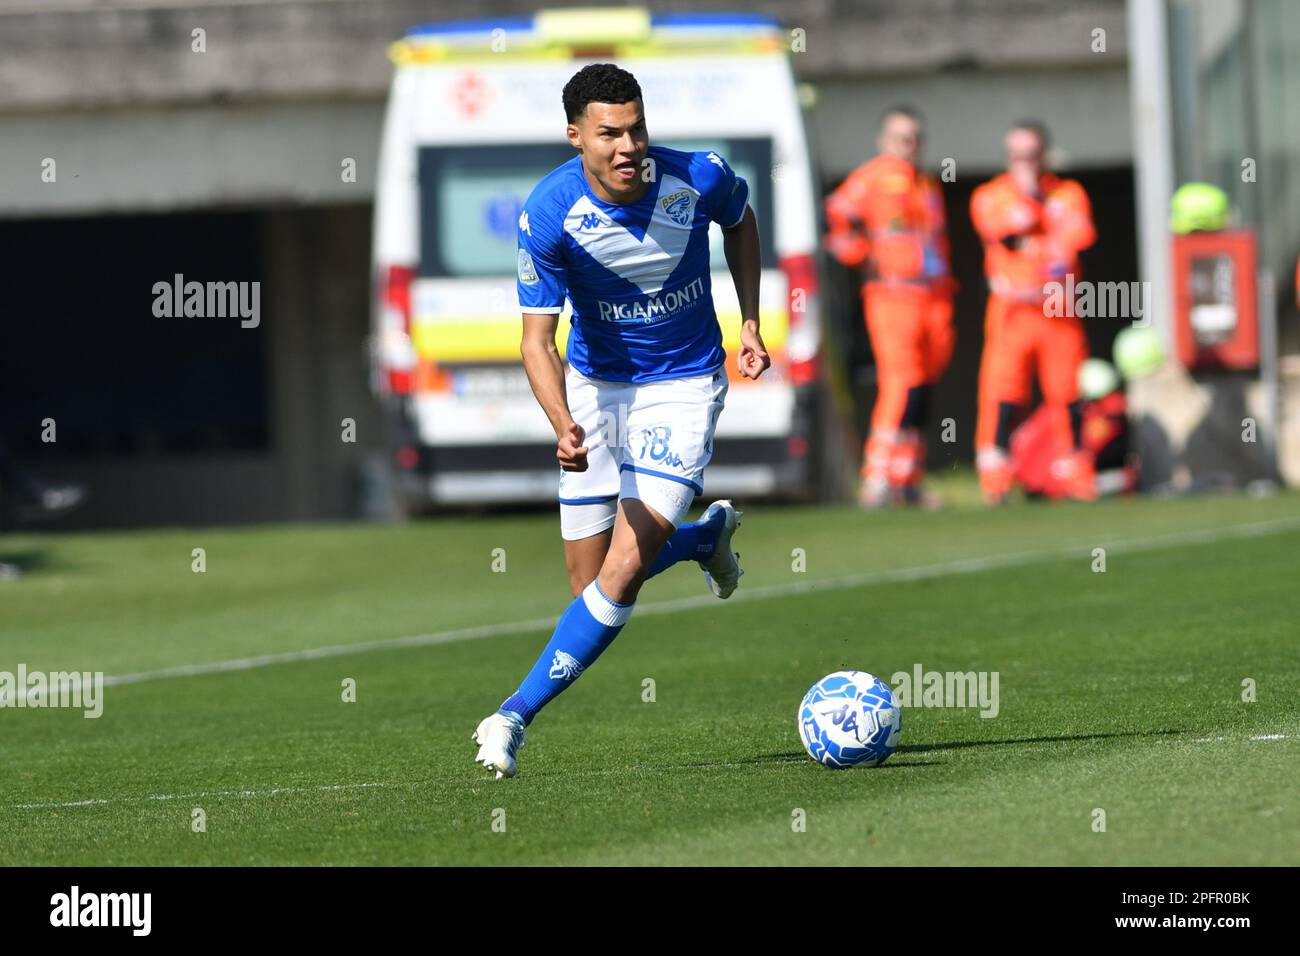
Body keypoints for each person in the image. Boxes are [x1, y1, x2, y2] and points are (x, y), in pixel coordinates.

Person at [472, 64, 770, 778]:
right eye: (610, 133)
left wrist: (752, 322)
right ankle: (702, 539)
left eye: (636, 128)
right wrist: (561, 423)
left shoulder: (698, 175)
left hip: (684, 387)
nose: (628, 144)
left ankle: (510, 715)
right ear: (576, 136)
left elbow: (742, 222)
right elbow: (534, 340)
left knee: (625, 566)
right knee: (590, 587)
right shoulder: (549, 212)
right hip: (596, 390)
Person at [824, 106, 954, 507]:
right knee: (902, 382)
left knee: (923, 386)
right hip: (893, 295)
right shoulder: (872, 178)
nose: (908, 146)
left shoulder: (927, 184)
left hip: (932, 296)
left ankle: (907, 476)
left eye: (914, 138)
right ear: (884, 141)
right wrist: (860, 254)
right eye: (900, 138)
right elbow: (835, 218)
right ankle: (878, 477)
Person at [970, 120, 1097, 504]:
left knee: (1068, 394)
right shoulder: (990, 195)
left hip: (1058, 308)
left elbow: (1078, 236)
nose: (1024, 162)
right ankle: (996, 478)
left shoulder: (1069, 193)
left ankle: (1075, 476)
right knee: (1004, 393)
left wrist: (1040, 229)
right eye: (1016, 155)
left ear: (1044, 154)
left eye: (1031, 154)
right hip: (1013, 310)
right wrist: (1033, 207)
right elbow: (1005, 233)